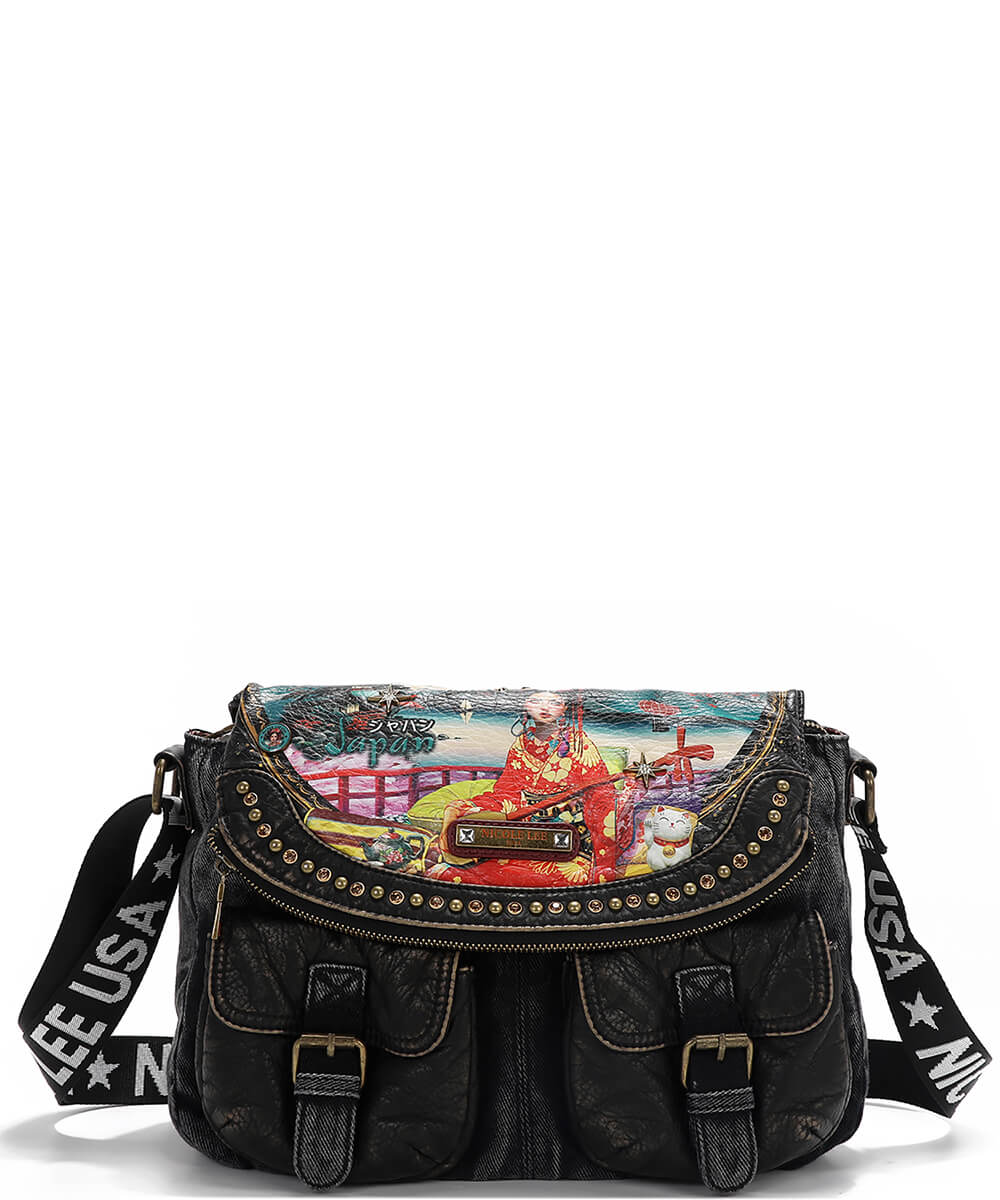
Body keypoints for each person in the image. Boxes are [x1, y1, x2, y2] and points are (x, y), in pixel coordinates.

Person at [428, 691, 619, 886]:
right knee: (455, 862)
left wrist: (603, 859)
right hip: (522, 836)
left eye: (554, 702)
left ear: (564, 708)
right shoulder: (520, 745)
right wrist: (472, 808)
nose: (544, 707)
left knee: (544, 877)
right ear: (525, 705)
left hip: (569, 841)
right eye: (536, 701)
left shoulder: (580, 745)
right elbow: (507, 793)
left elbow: (601, 798)